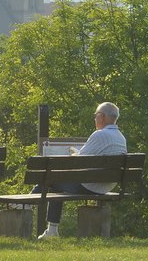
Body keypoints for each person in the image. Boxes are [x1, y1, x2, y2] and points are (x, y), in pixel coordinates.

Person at [36, 101, 127, 240]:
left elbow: (78, 162)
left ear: (102, 117)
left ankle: (28, 210)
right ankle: (49, 228)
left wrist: (73, 153)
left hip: (90, 186)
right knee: (55, 179)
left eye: (96, 115)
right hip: (107, 185)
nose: (95, 119)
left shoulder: (99, 135)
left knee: (50, 179)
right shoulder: (121, 138)